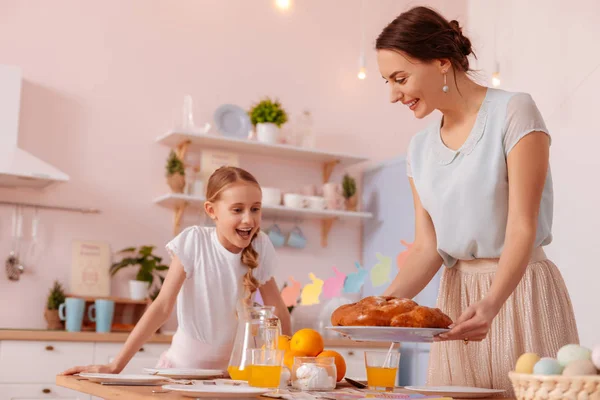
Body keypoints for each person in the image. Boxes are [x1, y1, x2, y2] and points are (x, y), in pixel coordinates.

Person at [377, 6, 578, 393]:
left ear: (441, 61)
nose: (392, 94)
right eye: (387, 81)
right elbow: (427, 248)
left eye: (399, 78)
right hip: (456, 299)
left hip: (519, 291)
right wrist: (377, 309)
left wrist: (491, 303)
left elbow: (523, 225)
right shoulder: (418, 148)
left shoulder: (514, 111)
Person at [61, 166, 291, 374]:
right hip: (182, 373)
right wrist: (115, 365)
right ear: (212, 211)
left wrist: (290, 366)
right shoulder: (194, 242)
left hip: (232, 376)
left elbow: (279, 312)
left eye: (255, 209)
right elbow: (161, 307)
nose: (248, 219)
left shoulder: (260, 245)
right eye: (237, 210)